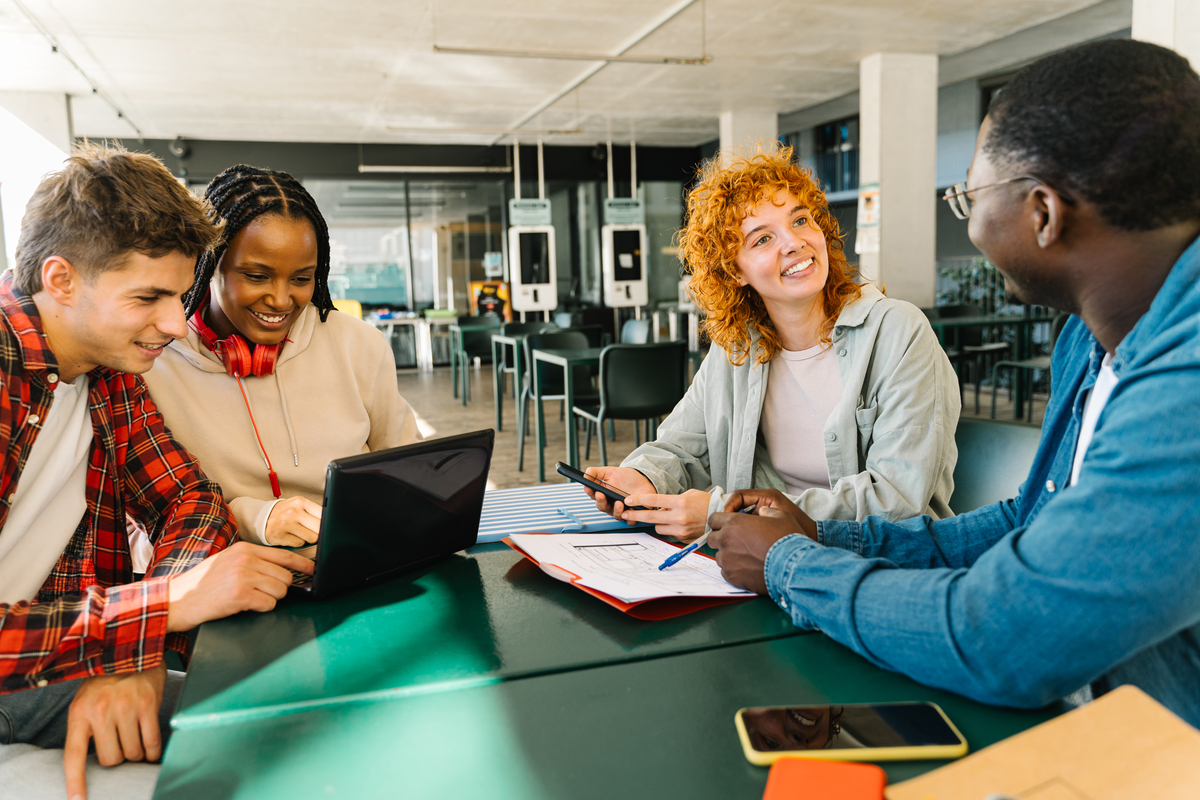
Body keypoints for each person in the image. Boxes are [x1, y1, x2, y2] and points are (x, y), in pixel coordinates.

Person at [705, 39, 1200, 728]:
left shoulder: (1189, 383)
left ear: (1043, 213)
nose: (966, 219)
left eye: (968, 194)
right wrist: (821, 535)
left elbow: (1008, 636)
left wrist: (791, 565)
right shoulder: (1089, 340)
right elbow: (1029, 521)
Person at [0, 146, 314, 799]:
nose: (176, 322)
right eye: (149, 296)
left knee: (298, 720)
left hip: (48, 659)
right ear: (60, 280)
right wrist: (162, 606)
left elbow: (190, 502)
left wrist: (135, 645)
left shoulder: (106, 368)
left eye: (179, 293)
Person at [586, 148, 960, 541]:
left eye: (800, 220)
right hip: (764, 561)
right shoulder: (736, 347)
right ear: (734, 272)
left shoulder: (899, 332)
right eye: (763, 239)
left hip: (881, 567)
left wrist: (726, 515)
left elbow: (898, 499)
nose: (794, 242)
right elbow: (682, 448)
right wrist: (641, 475)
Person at [141, 165, 421, 549]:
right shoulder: (152, 363)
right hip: (230, 572)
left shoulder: (360, 345)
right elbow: (145, 518)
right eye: (257, 276)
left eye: (302, 279)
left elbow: (410, 468)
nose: (281, 299)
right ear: (208, 263)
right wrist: (255, 519)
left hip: (355, 559)